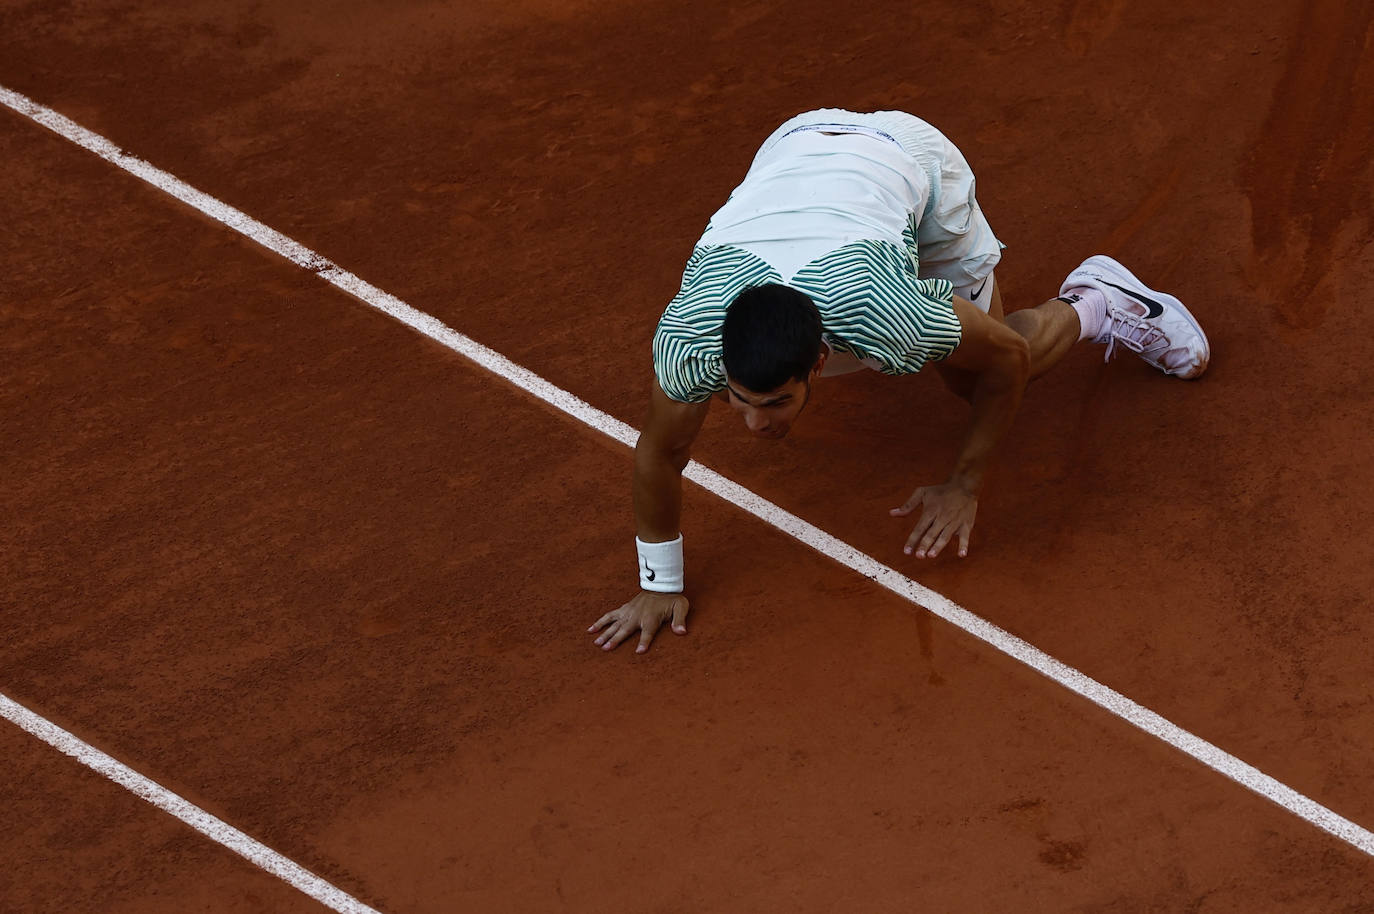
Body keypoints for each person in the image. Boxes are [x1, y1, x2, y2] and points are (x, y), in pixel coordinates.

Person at [588, 108, 1209, 654]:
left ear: (819, 364)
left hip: (909, 160)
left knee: (975, 380)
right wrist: (660, 585)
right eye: (737, 399)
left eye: (775, 402)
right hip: (793, 148)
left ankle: (1101, 300)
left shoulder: (891, 318)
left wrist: (965, 483)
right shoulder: (692, 344)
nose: (754, 425)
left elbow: (1007, 360)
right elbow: (661, 453)